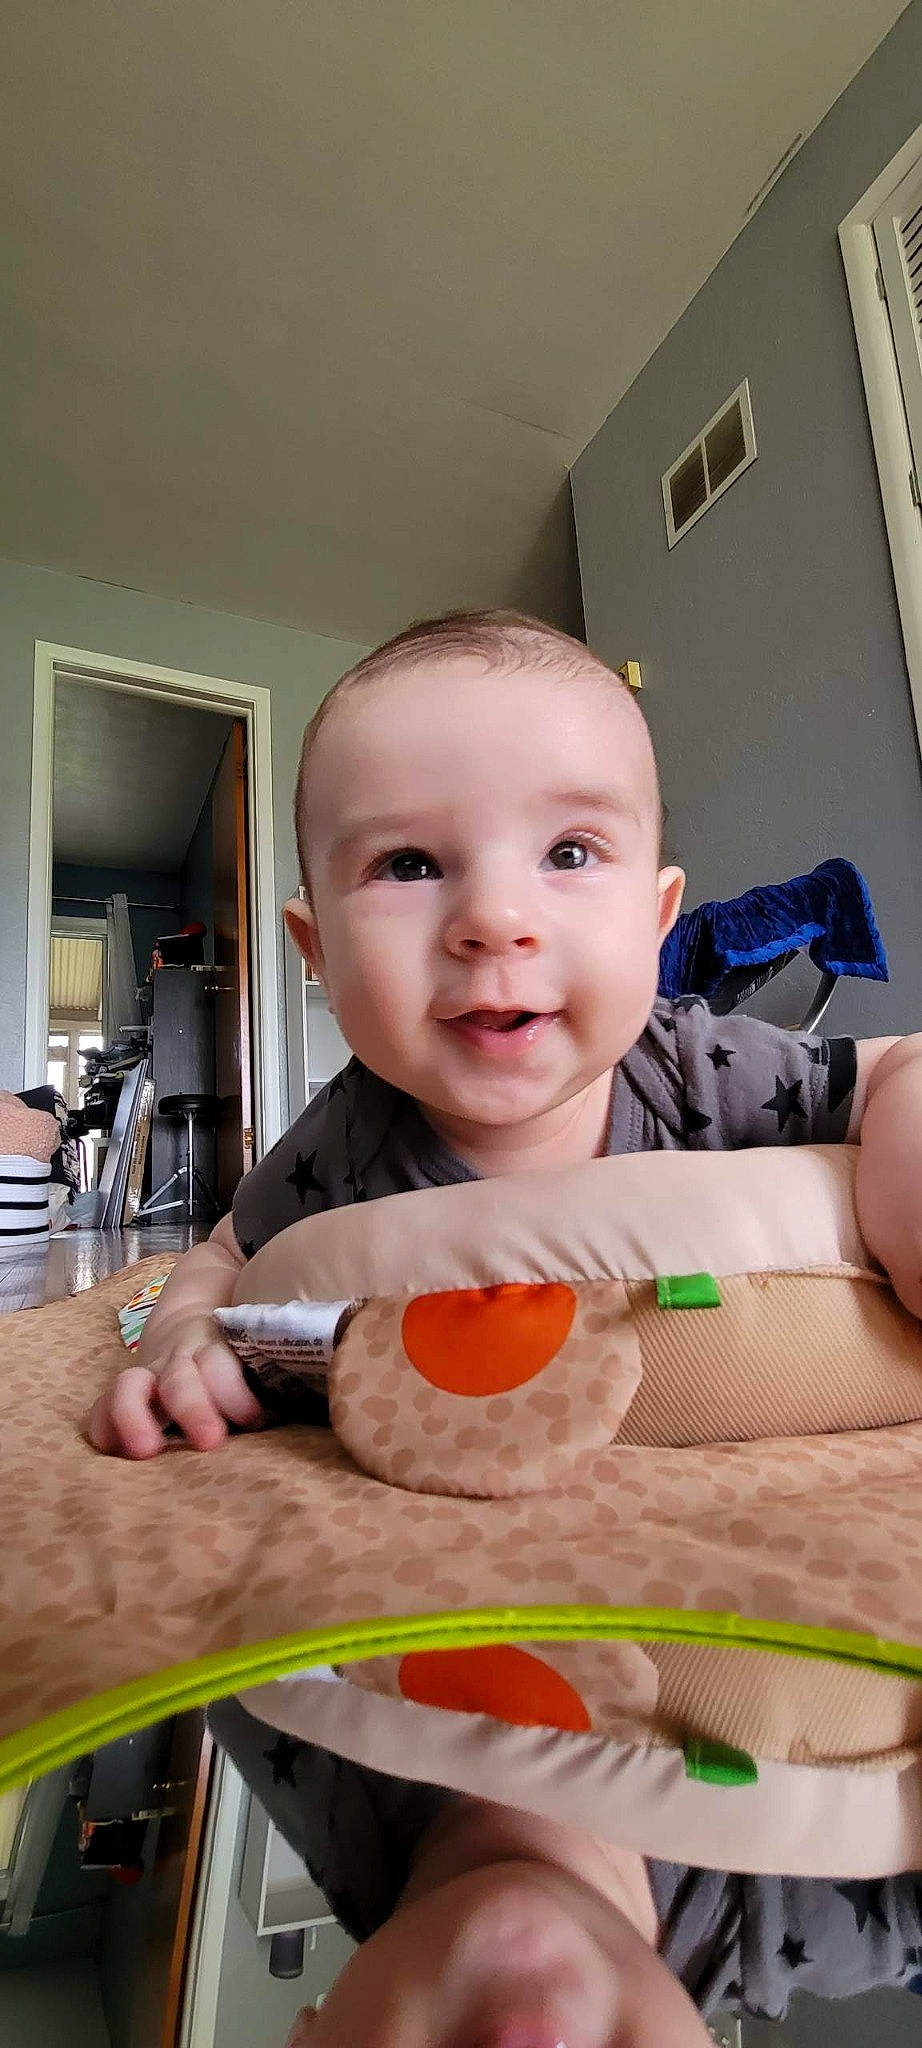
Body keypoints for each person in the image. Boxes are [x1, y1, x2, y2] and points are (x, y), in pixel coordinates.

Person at [84, 608, 922, 2031]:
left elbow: (889, 1066)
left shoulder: (702, 1070)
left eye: (569, 854)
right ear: (314, 945)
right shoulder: (781, 1925)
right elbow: (222, 1250)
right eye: (409, 865)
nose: (493, 916)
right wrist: (179, 1337)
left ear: (657, 927)